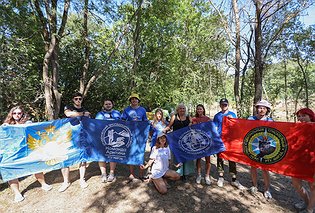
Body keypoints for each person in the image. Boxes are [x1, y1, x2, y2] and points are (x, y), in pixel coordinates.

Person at [3, 106, 52, 202]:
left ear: (22, 114)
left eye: (19, 113)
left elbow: (36, 131)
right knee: (10, 170)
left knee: (35, 166)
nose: (17, 115)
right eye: (14, 113)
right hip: (13, 153)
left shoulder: (27, 123)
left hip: (28, 150)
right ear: (11, 114)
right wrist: (4, 128)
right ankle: (17, 194)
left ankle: (43, 184)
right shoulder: (6, 126)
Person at [60, 92, 91, 191]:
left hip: (82, 136)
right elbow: (68, 114)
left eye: (80, 99)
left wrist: (84, 115)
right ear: (73, 100)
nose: (78, 100)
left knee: (83, 158)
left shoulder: (85, 109)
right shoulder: (68, 107)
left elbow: (89, 119)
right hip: (68, 136)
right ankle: (66, 181)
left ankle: (82, 179)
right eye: (76, 99)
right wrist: (82, 114)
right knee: (65, 158)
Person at [213, 98, 244, 190]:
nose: (224, 106)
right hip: (220, 140)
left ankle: (234, 179)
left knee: (232, 159)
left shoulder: (233, 114)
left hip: (230, 140)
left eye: (225, 105)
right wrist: (215, 139)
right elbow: (214, 127)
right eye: (222, 105)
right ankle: (221, 177)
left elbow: (237, 127)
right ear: (220, 105)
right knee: (220, 159)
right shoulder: (217, 116)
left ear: (228, 105)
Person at [247, 100, 273, 199]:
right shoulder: (250, 119)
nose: (261, 109)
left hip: (265, 147)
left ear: (267, 110)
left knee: (265, 169)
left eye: (263, 108)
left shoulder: (270, 121)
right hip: (253, 146)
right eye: (259, 107)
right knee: (253, 167)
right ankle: (254, 186)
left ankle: (267, 189)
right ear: (256, 109)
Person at [291, 108, 315, 213]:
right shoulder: (298, 128)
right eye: (299, 116)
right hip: (299, 160)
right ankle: (307, 201)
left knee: (312, 185)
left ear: (310, 116)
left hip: (313, 161)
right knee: (296, 183)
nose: (301, 118)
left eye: (303, 115)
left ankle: (309, 209)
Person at [164, 103, 194, 181]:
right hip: (176, 140)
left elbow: (192, 125)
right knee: (177, 157)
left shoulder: (188, 117)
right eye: (180, 108)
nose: (182, 110)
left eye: (183, 108)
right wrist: (164, 130)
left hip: (186, 141)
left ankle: (185, 174)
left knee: (185, 156)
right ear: (177, 110)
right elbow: (169, 126)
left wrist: (191, 124)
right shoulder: (174, 117)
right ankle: (178, 173)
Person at [122, 93, 148, 179]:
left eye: (135, 99)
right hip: (130, 134)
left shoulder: (142, 110)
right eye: (132, 99)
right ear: (130, 101)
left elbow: (145, 121)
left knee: (140, 152)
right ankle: (131, 173)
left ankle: (141, 174)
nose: (134, 100)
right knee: (131, 152)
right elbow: (122, 120)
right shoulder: (126, 110)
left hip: (141, 134)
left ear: (138, 100)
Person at [95, 98, 121, 182]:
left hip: (114, 137)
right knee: (101, 155)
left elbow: (122, 123)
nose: (108, 105)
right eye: (106, 104)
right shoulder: (99, 114)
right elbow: (96, 124)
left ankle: (112, 173)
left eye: (109, 104)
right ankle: (103, 174)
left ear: (112, 105)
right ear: (103, 105)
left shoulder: (117, 113)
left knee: (112, 154)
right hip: (102, 137)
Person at [192, 104, 212, 185]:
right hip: (197, 142)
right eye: (198, 109)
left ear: (203, 110)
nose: (199, 110)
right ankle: (199, 175)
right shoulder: (194, 119)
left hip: (206, 142)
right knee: (199, 159)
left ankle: (207, 176)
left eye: (200, 109)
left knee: (208, 159)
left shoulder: (207, 119)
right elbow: (192, 129)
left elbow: (211, 129)